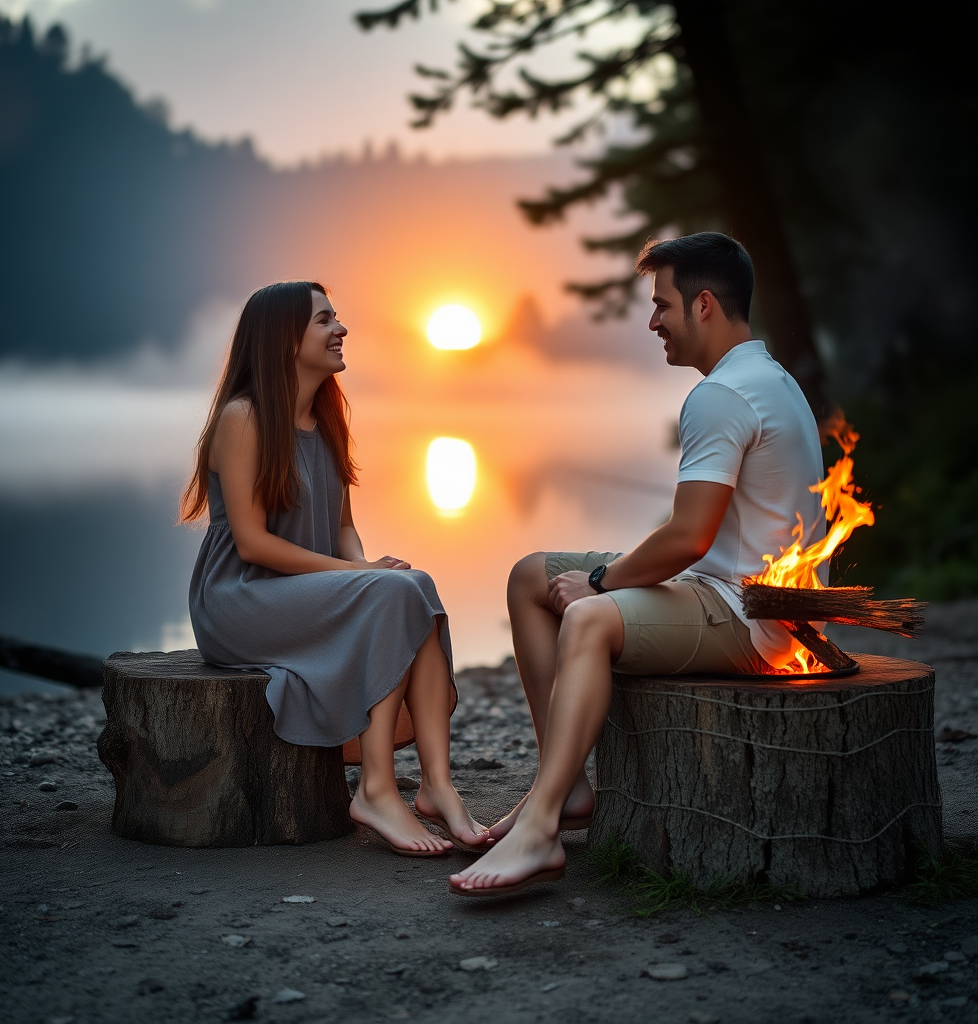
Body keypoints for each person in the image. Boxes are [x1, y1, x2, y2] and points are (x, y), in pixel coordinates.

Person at [449, 232, 827, 895]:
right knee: (530, 576)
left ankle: (539, 830)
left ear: (704, 305)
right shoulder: (767, 377)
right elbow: (694, 539)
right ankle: (563, 790)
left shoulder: (722, 395)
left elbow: (685, 537)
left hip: (754, 619)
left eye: (662, 306)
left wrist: (600, 581)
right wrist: (604, 576)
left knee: (589, 618)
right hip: (715, 586)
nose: (652, 322)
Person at [181, 281, 488, 855]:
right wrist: (360, 577)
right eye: (324, 320)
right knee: (396, 591)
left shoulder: (325, 422)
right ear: (282, 340)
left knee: (411, 587)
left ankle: (437, 787)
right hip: (240, 597)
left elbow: (344, 527)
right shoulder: (242, 419)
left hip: (304, 590)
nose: (340, 330)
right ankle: (376, 789)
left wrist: (365, 568)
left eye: (336, 318)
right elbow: (252, 545)